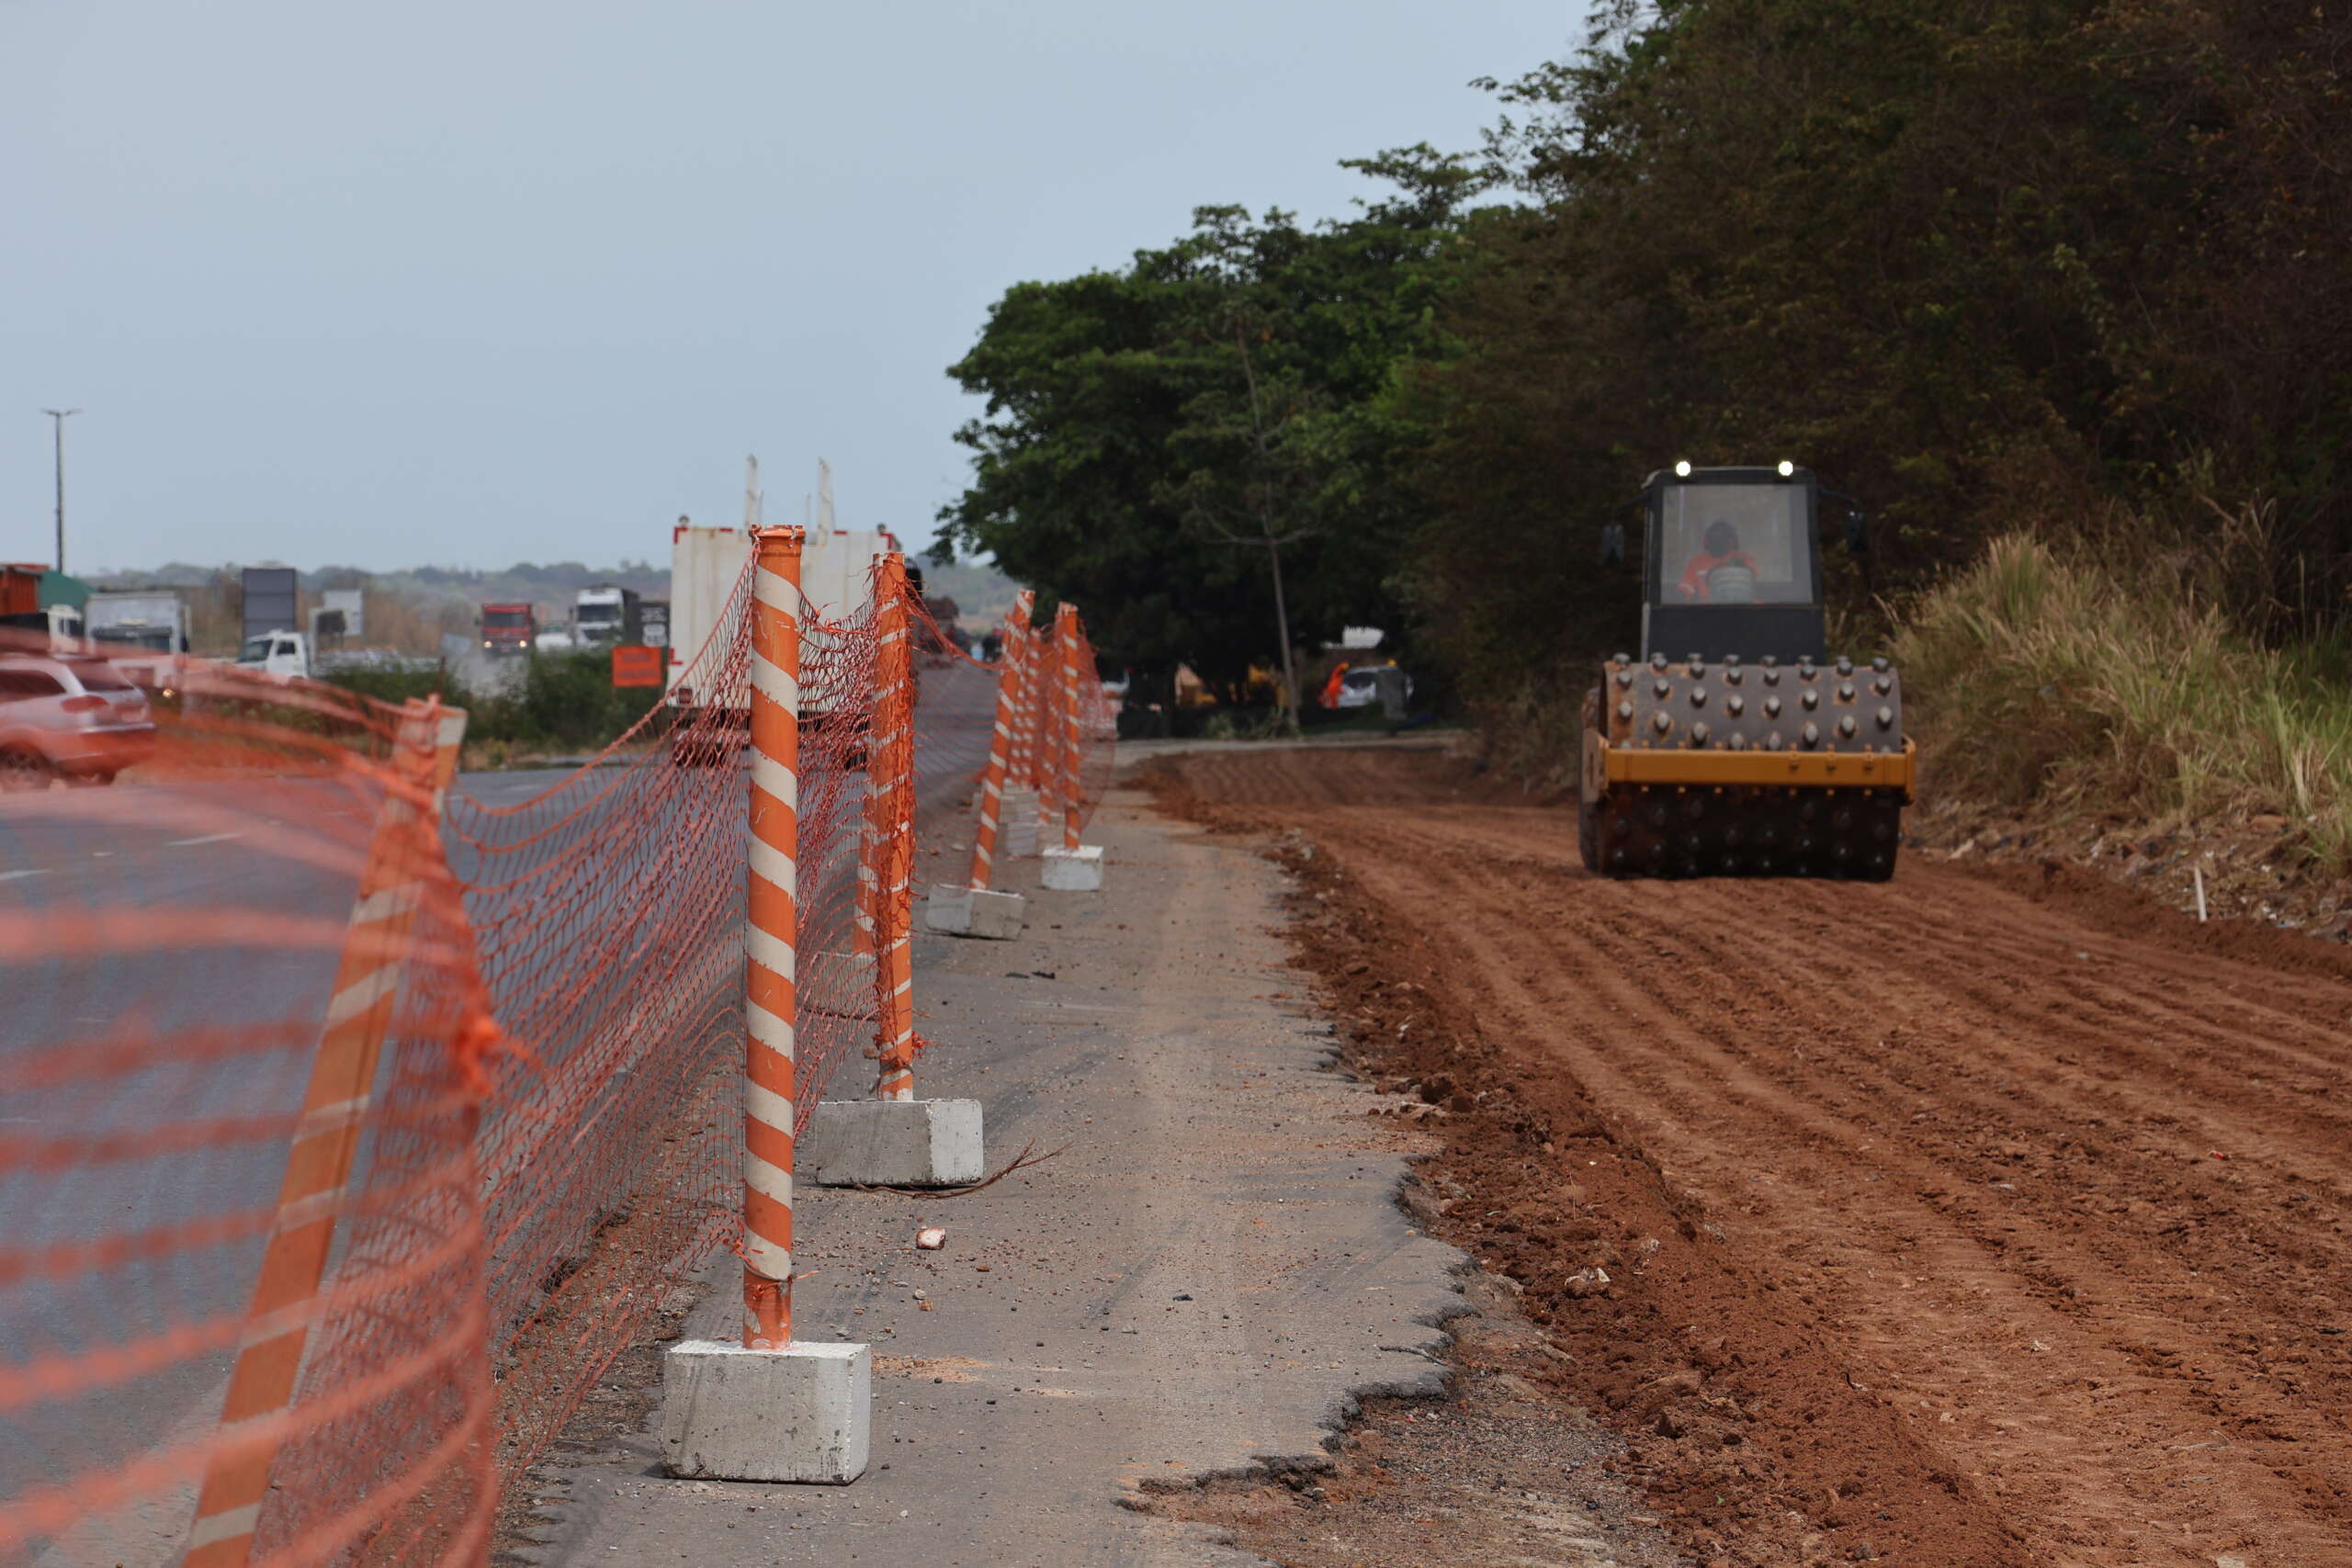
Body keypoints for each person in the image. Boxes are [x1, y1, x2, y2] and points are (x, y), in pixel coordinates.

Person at [1676, 520, 1759, 604]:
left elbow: (1752, 577)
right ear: (1707, 541)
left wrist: (1741, 566)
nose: (1717, 542)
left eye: (1721, 539)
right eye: (1714, 539)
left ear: (1732, 541)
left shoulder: (1743, 558)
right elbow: (1685, 590)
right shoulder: (1696, 562)